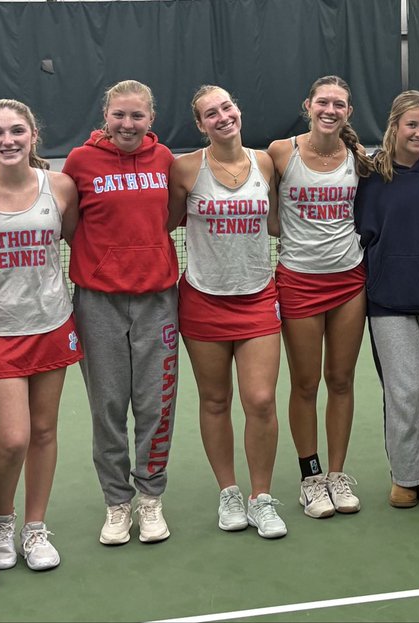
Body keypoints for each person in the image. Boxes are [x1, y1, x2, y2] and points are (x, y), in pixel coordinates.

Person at [0, 100, 81, 572]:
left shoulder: (60, 186)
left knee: (44, 431)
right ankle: (1, 520)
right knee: (13, 438)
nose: (9, 140)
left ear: (33, 136)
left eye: (17, 131)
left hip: (52, 324)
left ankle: (35, 528)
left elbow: (71, 236)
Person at [167, 85, 287, 538]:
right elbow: (165, 225)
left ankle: (262, 497)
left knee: (259, 401)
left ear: (238, 110)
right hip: (202, 300)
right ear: (201, 125)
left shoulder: (264, 163)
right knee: (215, 401)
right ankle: (229, 494)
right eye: (210, 113)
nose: (222, 117)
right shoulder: (185, 170)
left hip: (258, 297)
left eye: (227, 107)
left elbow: (275, 221)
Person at [62, 80, 179, 546]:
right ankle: (117, 502)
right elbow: (72, 226)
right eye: (119, 115)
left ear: (151, 119)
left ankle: (150, 498)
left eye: (137, 116)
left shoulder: (165, 160)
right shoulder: (79, 162)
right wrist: (106, 263)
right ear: (105, 116)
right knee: (108, 407)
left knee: (155, 404)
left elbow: (168, 218)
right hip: (98, 302)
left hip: (158, 301)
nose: (127, 124)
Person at [266, 76, 371, 519]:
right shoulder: (280, 152)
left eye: (340, 104)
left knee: (341, 381)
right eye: (323, 102)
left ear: (348, 112)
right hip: (298, 282)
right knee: (305, 384)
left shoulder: (358, 159)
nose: (330, 110)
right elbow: (269, 216)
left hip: (350, 283)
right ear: (307, 105)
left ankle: (337, 474)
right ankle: (311, 477)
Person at [354, 90, 419, 509]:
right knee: (405, 389)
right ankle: (405, 475)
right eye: (411, 125)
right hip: (387, 300)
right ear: (395, 126)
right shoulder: (370, 176)